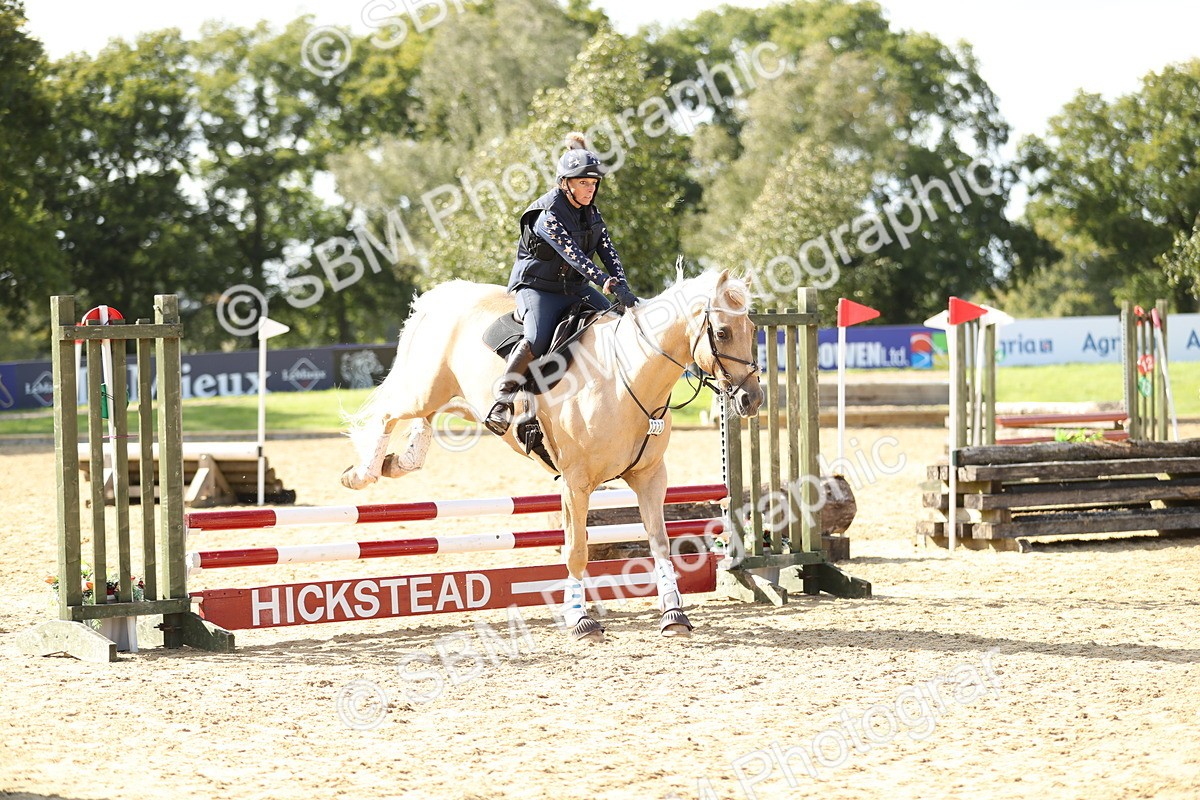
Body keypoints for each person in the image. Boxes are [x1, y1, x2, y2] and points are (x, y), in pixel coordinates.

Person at [483, 132, 640, 436]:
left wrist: (622, 284)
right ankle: (502, 400)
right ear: (565, 183)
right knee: (536, 338)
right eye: (583, 183)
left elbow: (608, 251)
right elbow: (574, 256)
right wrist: (606, 282)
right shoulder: (546, 215)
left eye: (593, 183)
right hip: (538, 289)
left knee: (617, 323)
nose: (590, 189)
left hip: (575, 289)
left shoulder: (591, 214)